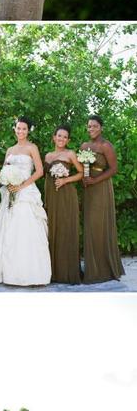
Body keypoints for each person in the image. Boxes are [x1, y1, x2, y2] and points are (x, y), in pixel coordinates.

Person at [0, 116, 51, 286]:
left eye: (24, 128)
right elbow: (4, 171)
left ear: (28, 130)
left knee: (26, 229)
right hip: (10, 192)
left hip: (26, 191)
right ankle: (8, 272)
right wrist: (7, 183)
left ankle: (30, 274)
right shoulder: (9, 150)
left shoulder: (32, 148)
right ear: (14, 129)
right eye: (18, 128)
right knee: (8, 229)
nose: (21, 131)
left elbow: (39, 171)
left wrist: (21, 185)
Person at [81, 115, 124, 284]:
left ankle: (103, 270)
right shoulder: (84, 146)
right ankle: (92, 268)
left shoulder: (106, 146)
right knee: (90, 226)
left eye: (95, 126)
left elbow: (114, 169)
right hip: (88, 189)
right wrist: (84, 178)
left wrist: (95, 181)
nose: (91, 129)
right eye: (89, 126)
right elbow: (83, 166)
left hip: (101, 188)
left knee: (99, 226)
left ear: (101, 127)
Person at [44, 125, 83, 284]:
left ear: (68, 140)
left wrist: (65, 180)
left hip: (66, 196)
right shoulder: (47, 155)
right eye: (59, 136)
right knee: (53, 229)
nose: (61, 139)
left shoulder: (70, 154)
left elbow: (81, 173)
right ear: (54, 137)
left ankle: (68, 271)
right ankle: (54, 271)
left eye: (65, 137)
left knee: (66, 229)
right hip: (51, 196)